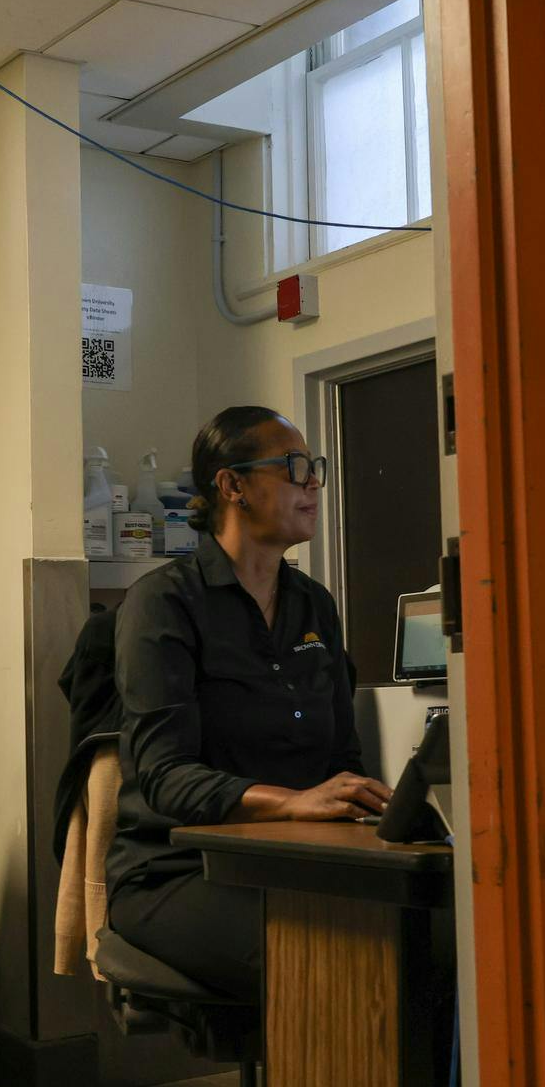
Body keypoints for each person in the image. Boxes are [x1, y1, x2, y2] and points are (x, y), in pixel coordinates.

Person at [106, 405, 392, 1000]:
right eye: (293, 466)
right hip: (180, 870)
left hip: (297, 858)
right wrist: (293, 802)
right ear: (232, 485)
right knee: (333, 965)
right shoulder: (163, 604)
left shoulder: (314, 605)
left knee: (434, 936)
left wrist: (374, 808)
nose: (312, 482)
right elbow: (165, 777)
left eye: (314, 467)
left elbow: (343, 754)